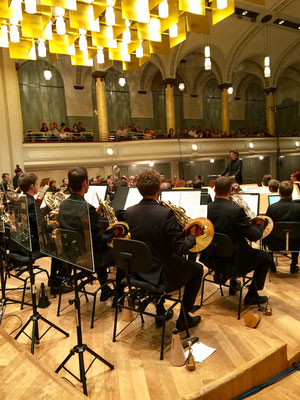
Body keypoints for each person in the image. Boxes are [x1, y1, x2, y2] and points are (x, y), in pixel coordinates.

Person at [125, 169, 203, 331]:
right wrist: (192, 237)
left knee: (158, 254)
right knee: (197, 269)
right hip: (162, 275)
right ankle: (184, 318)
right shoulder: (165, 214)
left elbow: (152, 238)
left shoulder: (129, 212)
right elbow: (180, 248)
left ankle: (160, 310)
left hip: (140, 271)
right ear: (159, 189)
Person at [206, 176, 270, 305]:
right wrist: (260, 226)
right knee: (266, 257)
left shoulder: (206, 208)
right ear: (230, 190)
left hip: (211, 258)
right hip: (235, 260)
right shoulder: (236, 210)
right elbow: (253, 236)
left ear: (214, 191)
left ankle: (230, 281)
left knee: (229, 244)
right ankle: (252, 295)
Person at [58, 167, 115, 301]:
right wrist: (113, 234)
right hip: (90, 258)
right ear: (85, 183)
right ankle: (110, 290)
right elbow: (98, 240)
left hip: (71, 256)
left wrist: (95, 214)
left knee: (95, 246)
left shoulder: (63, 204)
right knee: (119, 250)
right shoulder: (87, 208)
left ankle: (105, 288)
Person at [18, 173, 71, 294]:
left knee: (58, 244)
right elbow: (45, 229)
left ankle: (55, 280)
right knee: (61, 246)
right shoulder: (31, 203)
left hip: (26, 241)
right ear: (32, 186)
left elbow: (36, 216)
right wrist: (57, 223)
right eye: (37, 184)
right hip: (34, 244)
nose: (38, 187)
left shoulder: (24, 199)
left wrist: (48, 207)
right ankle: (56, 283)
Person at [265, 180, 300, 273]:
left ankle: (271, 265)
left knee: (265, 235)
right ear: (292, 192)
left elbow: (267, 227)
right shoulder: (298, 208)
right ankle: (293, 265)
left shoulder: (272, 208)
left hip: (275, 244)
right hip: (296, 244)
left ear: (279, 192)